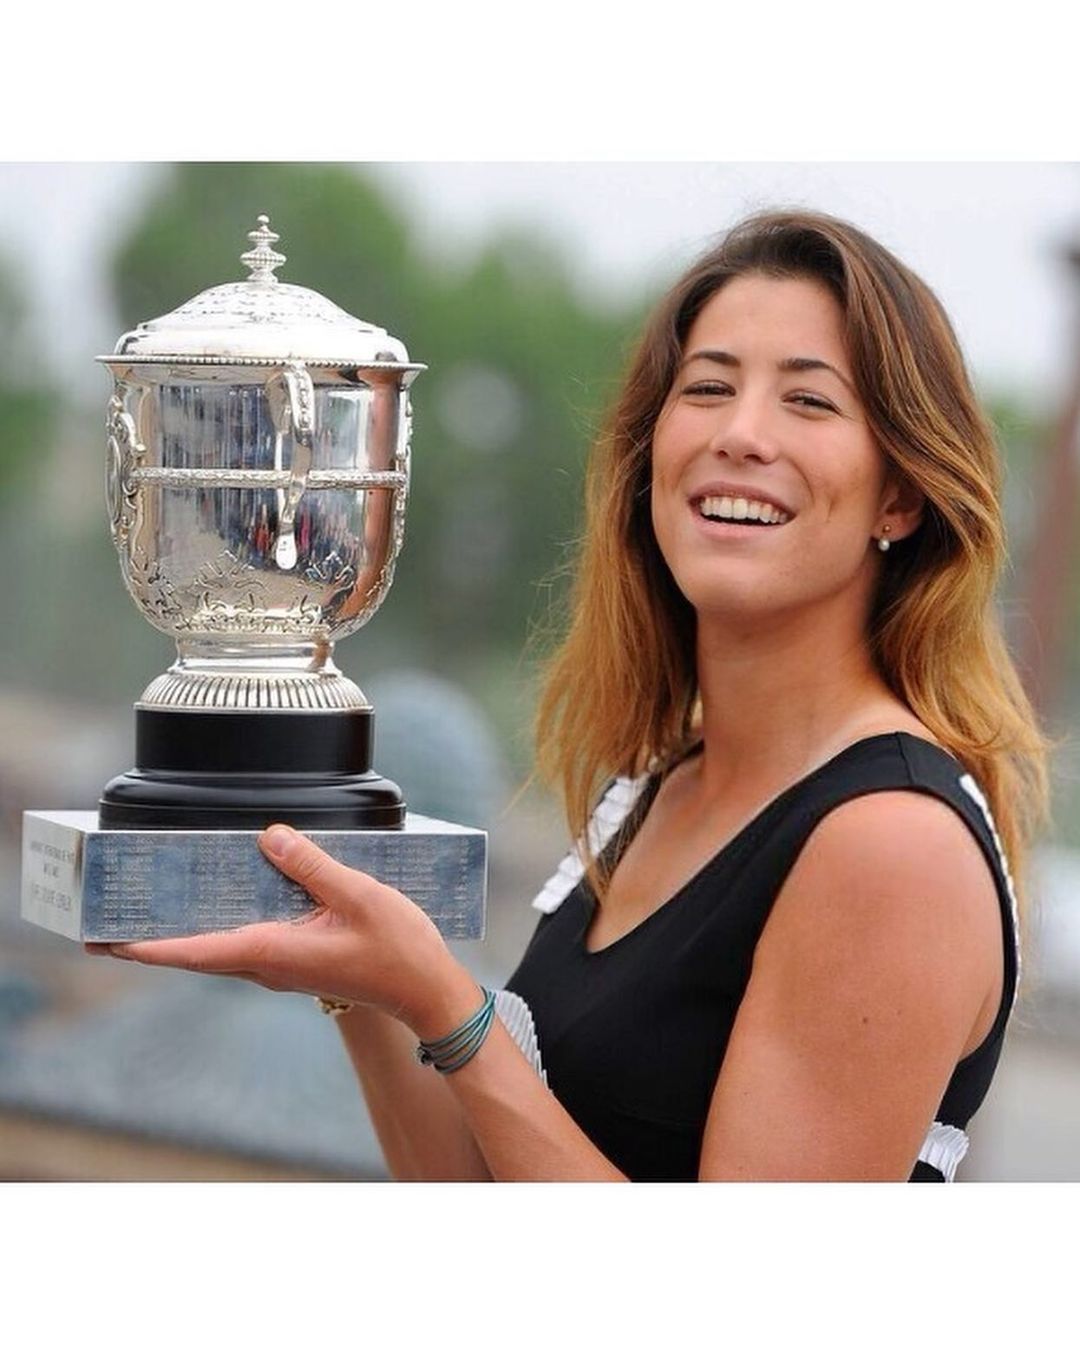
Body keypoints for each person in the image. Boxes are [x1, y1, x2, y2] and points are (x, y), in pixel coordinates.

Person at [92, 209, 1052, 1181]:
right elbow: (472, 1188)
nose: (740, 434)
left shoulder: (892, 844)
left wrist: (447, 1007)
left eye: (808, 401)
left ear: (900, 496)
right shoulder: (660, 783)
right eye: (708, 387)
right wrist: (360, 978)